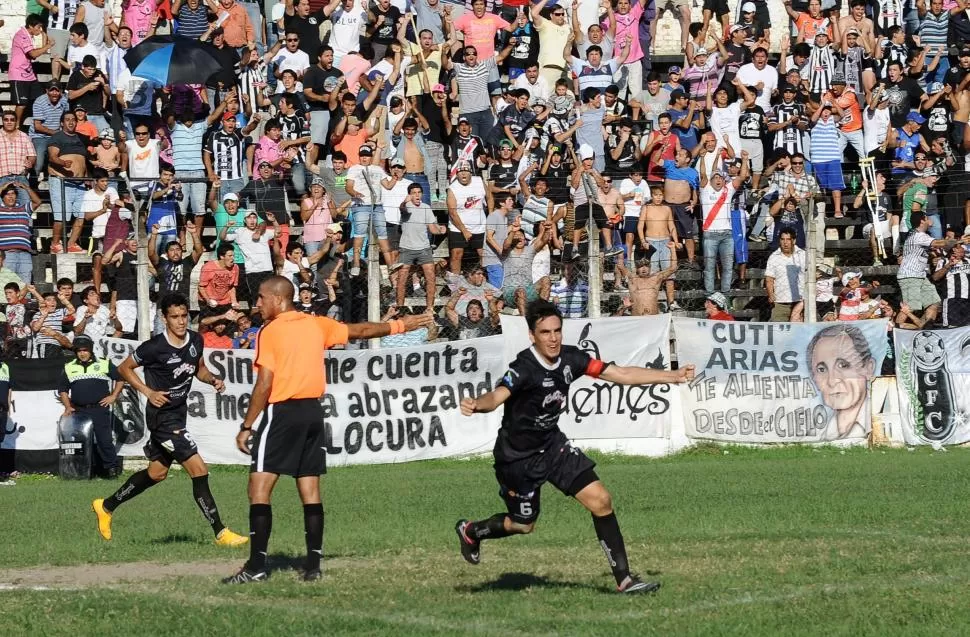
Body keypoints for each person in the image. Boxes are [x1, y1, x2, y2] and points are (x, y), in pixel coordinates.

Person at [455, 300, 695, 593]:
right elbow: (497, 396)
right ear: (532, 335)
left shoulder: (572, 359)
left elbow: (620, 374)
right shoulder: (524, 368)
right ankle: (472, 531)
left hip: (553, 446)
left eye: (557, 330)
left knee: (601, 501)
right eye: (545, 332)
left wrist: (672, 375)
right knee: (523, 524)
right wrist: (477, 404)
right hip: (517, 460)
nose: (553, 338)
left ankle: (625, 580)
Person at [223, 276, 433, 583]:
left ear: (278, 299)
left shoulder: (270, 331)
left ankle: (256, 567)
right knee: (309, 489)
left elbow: (264, 383)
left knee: (258, 488)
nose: (257, 304)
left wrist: (246, 425)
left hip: (283, 412)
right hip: (312, 413)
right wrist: (402, 326)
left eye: (260, 298)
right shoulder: (315, 323)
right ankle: (313, 566)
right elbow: (360, 330)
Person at [92, 294, 248, 547]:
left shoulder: (196, 340)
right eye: (174, 317)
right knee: (200, 470)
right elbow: (123, 369)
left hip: (178, 413)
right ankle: (221, 533)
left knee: (157, 473)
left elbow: (199, 368)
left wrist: (212, 379)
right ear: (164, 318)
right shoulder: (154, 347)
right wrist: (148, 392)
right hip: (162, 419)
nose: (181, 321)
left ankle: (106, 506)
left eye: (184, 316)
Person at [58, 335, 124, 478]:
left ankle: (111, 469)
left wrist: (113, 396)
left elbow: (120, 378)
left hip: (99, 409)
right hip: (79, 410)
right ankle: (82, 471)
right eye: (79, 350)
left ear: (91, 350)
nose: (82, 353)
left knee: (104, 440)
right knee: (80, 442)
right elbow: (62, 389)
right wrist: (68, 407)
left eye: (85, 350)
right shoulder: (69, 367)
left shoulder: (104, 363)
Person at [806, 324, 877, 440]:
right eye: (821, 370)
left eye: (843, 365)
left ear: (868, 368)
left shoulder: (882, 416)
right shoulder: (820, 432)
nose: (832, 381)